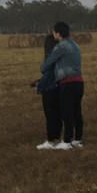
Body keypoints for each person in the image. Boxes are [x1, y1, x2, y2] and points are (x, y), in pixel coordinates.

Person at [39, 21, 84, 150]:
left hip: (67, 83)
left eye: (54, 32)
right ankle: (78, 140)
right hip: (79, 81)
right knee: (77, 112)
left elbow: (48, 63)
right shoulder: (75, 44)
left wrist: (43, 69)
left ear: (58, 34)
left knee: (66, 112)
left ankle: (66, 141)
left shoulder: (61, 46)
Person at [34, 30, 66, 150]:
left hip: (50, 88)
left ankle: (51, 141)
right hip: (61, 86)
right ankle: (57, 139)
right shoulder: (62, 56)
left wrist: (40, 84)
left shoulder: (50, 58)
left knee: (50, 115)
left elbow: (47, 72)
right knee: (58, 114)